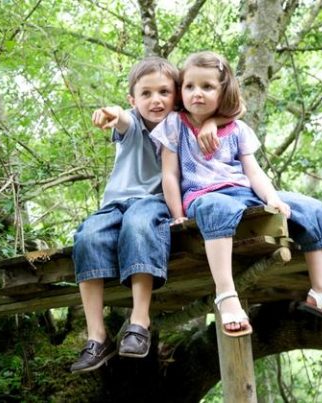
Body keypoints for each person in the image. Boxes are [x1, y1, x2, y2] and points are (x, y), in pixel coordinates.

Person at [150, 51, 322, 338]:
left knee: (315, 209)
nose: (196, 94)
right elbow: (170, 174)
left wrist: (272, 198)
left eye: (207, 87)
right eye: (189, 87)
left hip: (243, 191)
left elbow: (253, 171)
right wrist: (177, 214)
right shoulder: (174, 125)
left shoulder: (237, 129)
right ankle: (226, 295)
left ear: (223, 91)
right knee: (218, 208)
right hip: (203, 195)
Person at [70, 57, 228, 373]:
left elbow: (229, 112)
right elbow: (120, 118)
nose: (155, 100)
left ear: (178, 96)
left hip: (153, 203)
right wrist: (111, 113)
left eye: (164, 92)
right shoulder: (132, 123)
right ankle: (96, 337)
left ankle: (139, 322)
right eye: (146, 94)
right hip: (114, 204)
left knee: (139, 225)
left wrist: (212, 123)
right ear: (133, 100)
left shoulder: (185, 125)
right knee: (87, 236)